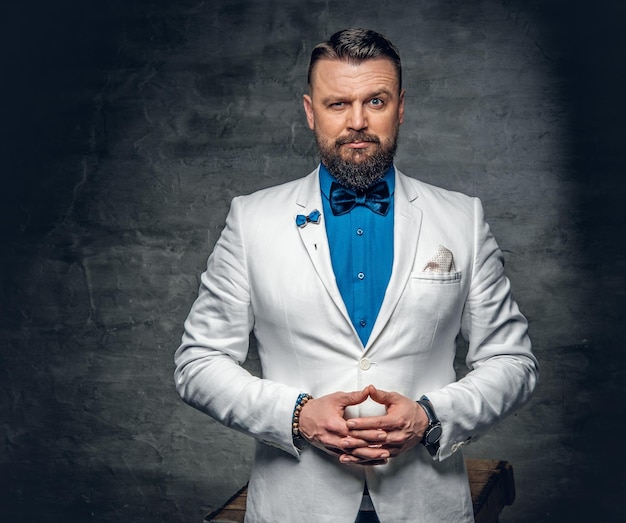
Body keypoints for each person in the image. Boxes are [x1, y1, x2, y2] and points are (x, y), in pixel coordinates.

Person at [174, 28, 538, 523]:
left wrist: (431, 416)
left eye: (377, 100)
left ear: (401, 107)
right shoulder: (251, 219)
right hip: (295, 506)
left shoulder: (462, 219)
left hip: (427, 505)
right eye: (338, 104)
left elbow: (512, 361)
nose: (358, 122)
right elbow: (198, 362)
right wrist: (297, 415)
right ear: (310, 112)